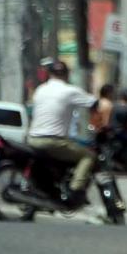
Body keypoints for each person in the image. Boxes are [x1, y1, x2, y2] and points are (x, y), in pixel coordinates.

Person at [28, 60, 98, 202]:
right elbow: (93, 102)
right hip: (53, 141)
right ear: (66, 75)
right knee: (89, 156)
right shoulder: (70, 91)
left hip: (33, 139)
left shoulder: (40, 89)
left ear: (50, 74)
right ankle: (75, 190)